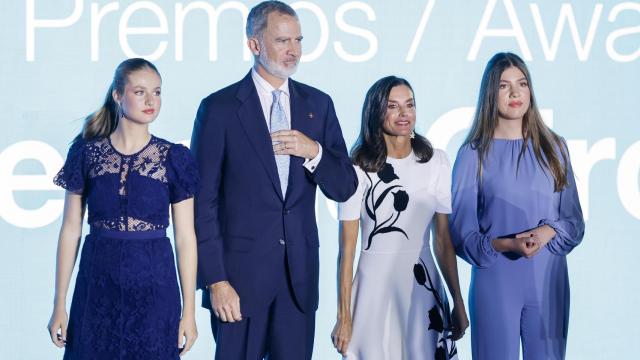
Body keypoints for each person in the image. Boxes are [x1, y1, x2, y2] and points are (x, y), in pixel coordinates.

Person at [190, 1, 357, 359]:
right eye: (282, 40)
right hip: (238, 285)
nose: (293, 50)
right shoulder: (218, 108)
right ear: (254, 45)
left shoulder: (319, 104)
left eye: (298, 39)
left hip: (298, 285)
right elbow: (202, 203)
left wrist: (314, 152)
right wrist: (216, 281)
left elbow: (344, 186)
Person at [46, 58, 199, 359]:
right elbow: (70, 230)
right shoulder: (86, 153)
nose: (151, 100)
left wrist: (189, 313)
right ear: (118, 95)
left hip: (155, 288)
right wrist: (59, 304)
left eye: (157, 92)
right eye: (140, 92)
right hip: (97, 285)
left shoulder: (174, 158)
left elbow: (185, 238)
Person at [449, 52, 585, 360]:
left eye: (522, 84)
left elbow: (573, 221)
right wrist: (506, 243)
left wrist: (549, 231)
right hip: (495, 283)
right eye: (504, 86)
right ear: (490, 94)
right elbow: (461, 235)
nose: (515, 93)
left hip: (548, 280)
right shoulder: (473, 154)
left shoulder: (555, 148)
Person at [331, 76, 469, 359]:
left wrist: (458, 300)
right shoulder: (356, 168)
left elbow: (442, 241)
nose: (404, 114)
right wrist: (344, 316)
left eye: (410, 105)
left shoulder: (437, 161)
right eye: (393, 106)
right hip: (373, 291)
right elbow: (346, 252)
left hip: (422, 286)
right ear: (376, 112)